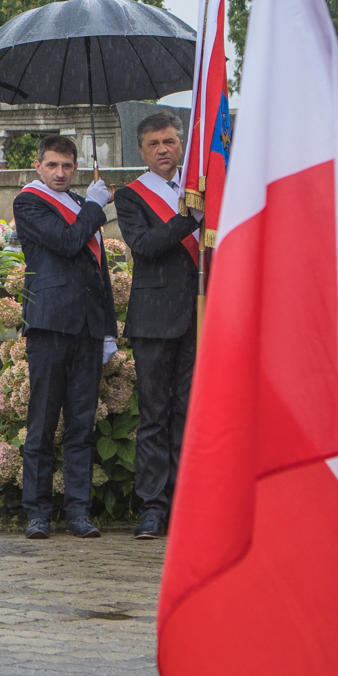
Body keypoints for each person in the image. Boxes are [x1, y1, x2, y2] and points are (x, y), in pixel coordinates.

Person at [110, 113, 200, 541]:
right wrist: (189, 219)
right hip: (153, 319)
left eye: (170, 141)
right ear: (142, 151)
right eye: (153, 144)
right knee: (154, 417)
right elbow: (144, 247)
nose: (163, 149)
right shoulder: (130, 196)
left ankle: (186, 503)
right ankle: (152, 507)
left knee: (188, 416)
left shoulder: (204, 188)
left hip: (199, 316)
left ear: (181, 144)